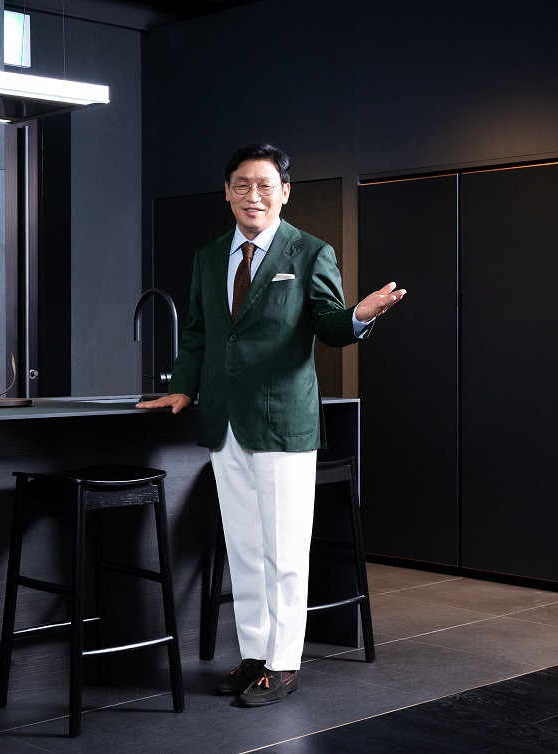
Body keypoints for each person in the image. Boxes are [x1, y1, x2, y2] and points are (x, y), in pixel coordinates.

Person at [136, 143, 405, 707]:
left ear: (285, 192)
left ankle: (284, 663)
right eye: (242, 185)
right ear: (227, 192)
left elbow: (328, 325)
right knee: (244, 549)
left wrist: (360, 316)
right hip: (224, 422)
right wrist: (184, 386)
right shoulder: (211, 255)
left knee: (284, 550)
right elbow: (200, 333)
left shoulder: (309, 251)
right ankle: (255, 655)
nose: (252, 196)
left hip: (283, 422)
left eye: (264, 185)